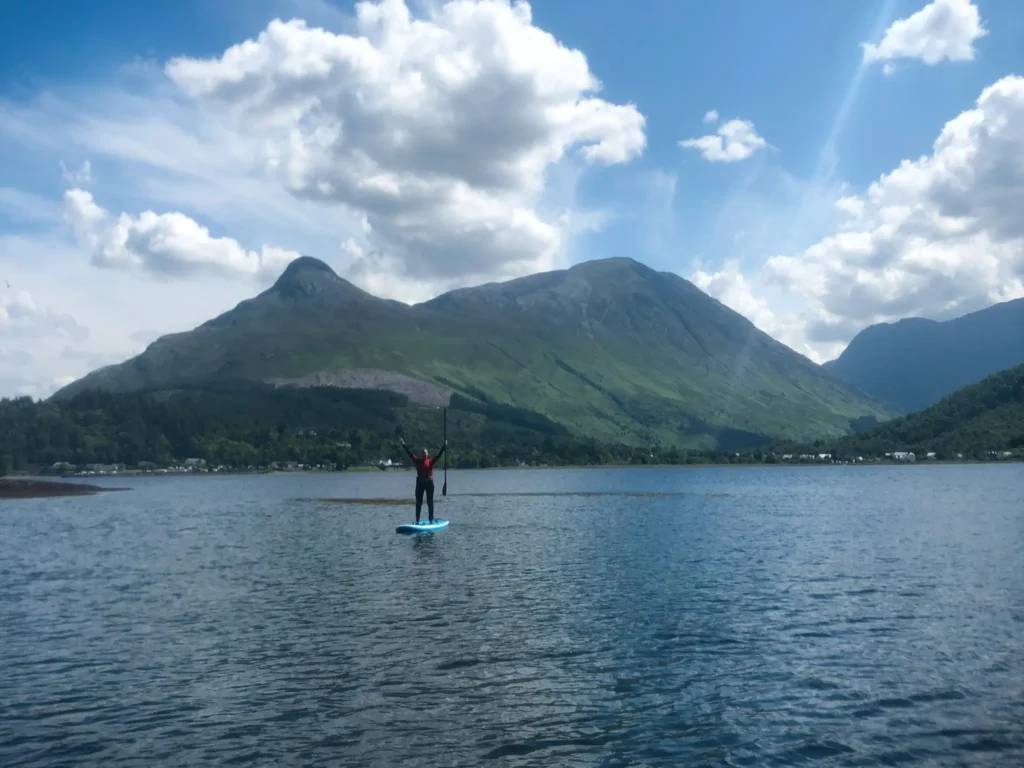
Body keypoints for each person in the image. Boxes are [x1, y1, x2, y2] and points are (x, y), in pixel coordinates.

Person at [399, 437, 446, 523]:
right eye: (422, 453)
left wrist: (443, 447)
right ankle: (417, 520)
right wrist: (403, 444)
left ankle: (431, 519)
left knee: (430, 502)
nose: (424, 454)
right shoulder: (417, 461)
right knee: (418, 502)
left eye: (425, 452)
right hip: (420, 482)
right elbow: (409, 453)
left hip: (429, 483)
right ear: (421, 454)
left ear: (427, 454)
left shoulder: (431, 461)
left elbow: (439, 456)